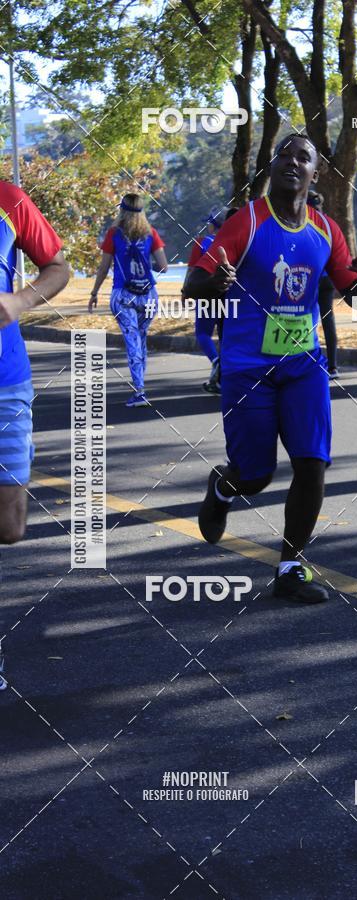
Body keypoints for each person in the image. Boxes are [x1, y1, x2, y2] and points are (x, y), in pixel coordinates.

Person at [183, 133, 357, 604]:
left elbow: (352, 289)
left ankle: (291, 565)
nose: (291, 161)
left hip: (302, 363)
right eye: (283, 155)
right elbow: (193, 284)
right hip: (248, 368)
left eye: (301, 157)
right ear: (272, 168)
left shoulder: (326, 230)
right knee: (256, 475)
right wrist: (216, 281)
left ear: (314, 173)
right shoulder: (245, 222)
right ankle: (224, 487)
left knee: (312, 461)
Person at [0, 180, 70, 688]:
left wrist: (19, 301)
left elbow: (58, 267)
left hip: (5, 379)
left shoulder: (8, 198)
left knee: (9, 526)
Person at [88, 193, 168, 407]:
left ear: (121, 210)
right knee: (140, 338)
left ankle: (140, 391)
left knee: (132, 340)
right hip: (148, 295)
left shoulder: (114, 234)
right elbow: (163, 266)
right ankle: (140, 385)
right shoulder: (151, 234)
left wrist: (94, 292)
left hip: (124, 295)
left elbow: (104, 267)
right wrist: (144, 262)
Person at [184, 209, 225, 393]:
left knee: (202, 333)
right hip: (227, 295)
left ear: (212, 225)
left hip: (206, 294)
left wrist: (186, 291)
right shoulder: (231, 243)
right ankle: (219, 380)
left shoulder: (202, 242)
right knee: (226, 337)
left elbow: (192, 270)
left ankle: (216, 362)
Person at [307, 190, 338, 376]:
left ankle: (307, 361)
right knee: (328, 320)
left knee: (306, 319)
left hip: (311, 277)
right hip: (328, 278)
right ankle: (333, 365)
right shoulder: (329, 224)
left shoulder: (305, 223)